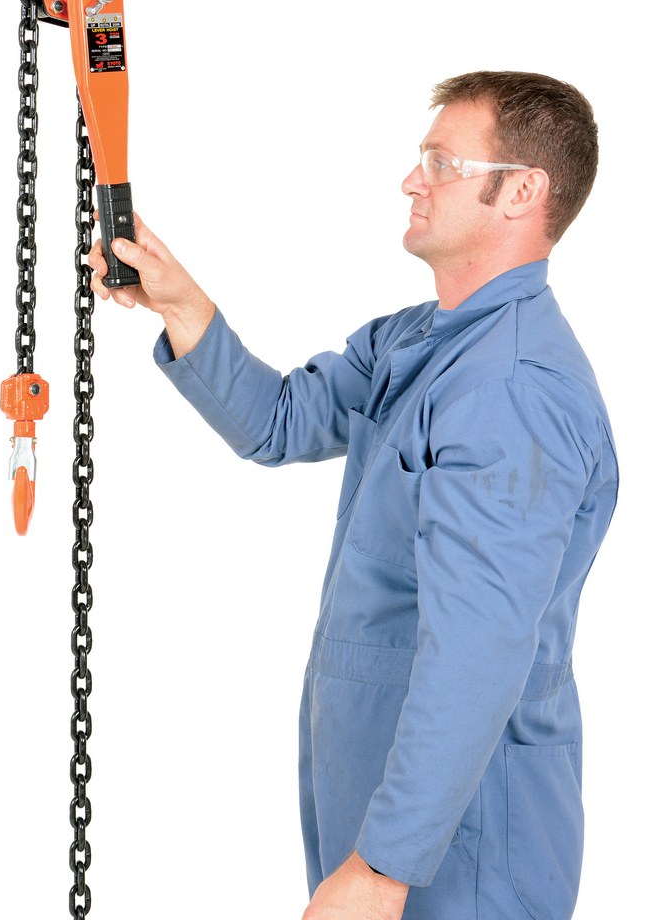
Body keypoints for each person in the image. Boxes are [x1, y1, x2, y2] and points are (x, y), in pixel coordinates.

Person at [89, 70, 618, 920]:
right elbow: (279, 422)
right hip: (376, 797)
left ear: (523, 191)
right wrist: (181, 305)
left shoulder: (515, 389)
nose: (412, 180)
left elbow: (478, 651)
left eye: (442, 163)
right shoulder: (416, 341)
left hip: (464, 833)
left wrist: (383, 868)